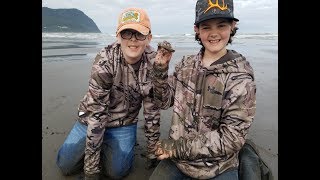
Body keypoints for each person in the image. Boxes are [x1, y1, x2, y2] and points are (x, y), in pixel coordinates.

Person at [56, 7, 170, 180]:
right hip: (91, 119)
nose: (133, 40)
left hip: (124, 122)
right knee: (65, 165)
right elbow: (97, 114)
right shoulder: (104, 60)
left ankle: (110, 147)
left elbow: (152, 110)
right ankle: (96, 148)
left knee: (117, 172)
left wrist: (152, 150)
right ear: (118, 36)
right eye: (127, 33)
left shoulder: (155, 63)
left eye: (139, 34)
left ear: (149, 38)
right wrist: (91, 171)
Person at [149, 0, 258, 179]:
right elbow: (163, 102)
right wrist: (160, 71)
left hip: (218, 166)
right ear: (196, 30)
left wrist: (176, 148)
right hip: (178, 161)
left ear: (232, 26)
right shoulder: (185, 65)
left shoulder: (241, 78)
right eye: (206, 27)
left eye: (221, 25)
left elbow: (232, 138)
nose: (214, 33)